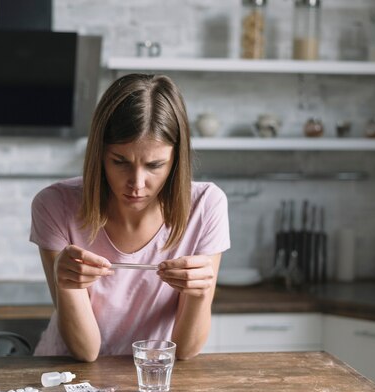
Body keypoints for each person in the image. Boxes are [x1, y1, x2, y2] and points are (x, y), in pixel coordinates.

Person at [30, 73, 230, 362]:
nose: (136, 183)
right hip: (69, 375)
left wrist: (199, 294)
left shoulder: (206, 205)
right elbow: (86, 351)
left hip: (152, 375)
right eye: (120, 162)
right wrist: (68, 285)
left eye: (154, 165)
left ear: (176, 160)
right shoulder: (54, 205)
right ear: (99, 154)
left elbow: (185, 351)